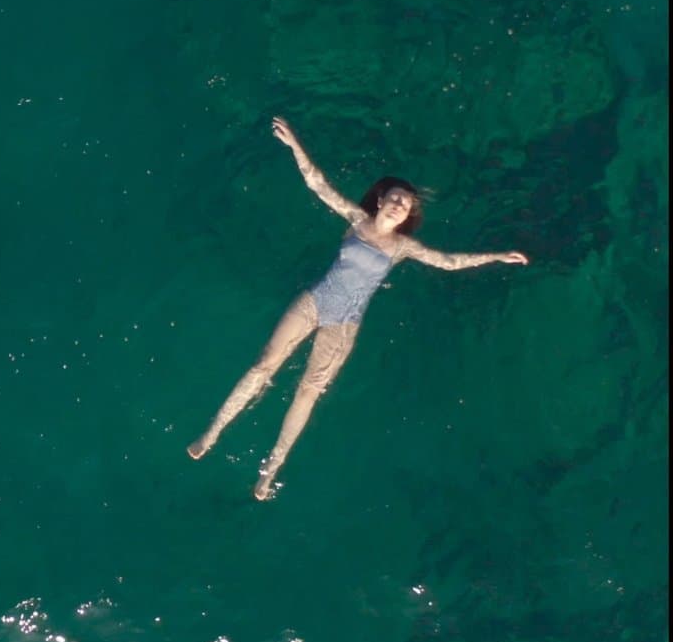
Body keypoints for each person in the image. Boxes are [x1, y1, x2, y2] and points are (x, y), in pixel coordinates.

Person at [187, 116, 529, 501]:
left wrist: (498, 256)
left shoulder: (404, 247)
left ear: (408, 215)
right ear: (381, 200)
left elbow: (449, 262)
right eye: (396, 198)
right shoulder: (357, 220)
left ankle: (270, 470)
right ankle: (212, 432)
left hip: (344, 324)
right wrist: (295, 145)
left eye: (407, 204)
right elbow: (319, 184)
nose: (400, 205)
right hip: (314, 301)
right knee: (263, 364)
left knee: (307, 394)